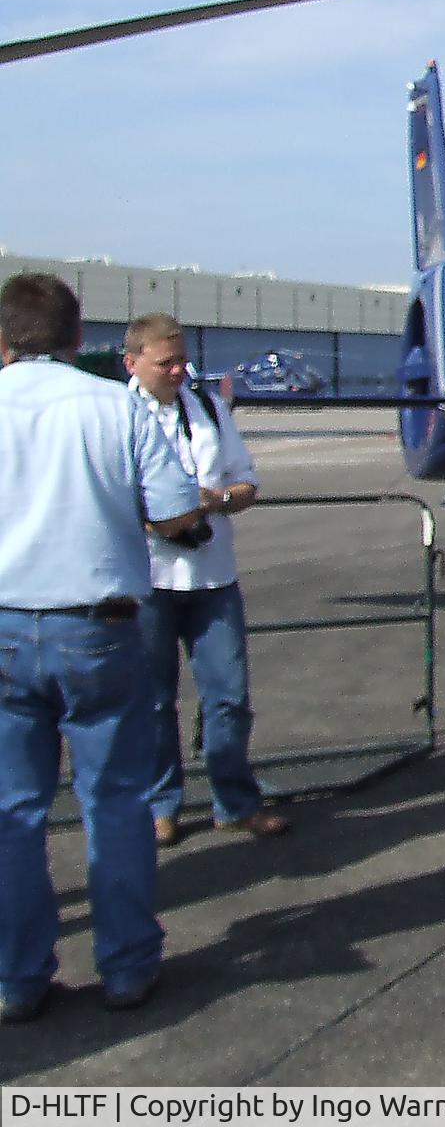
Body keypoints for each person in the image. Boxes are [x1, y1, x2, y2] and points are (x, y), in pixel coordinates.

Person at [0, 274, 200, 1022]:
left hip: (6, 623)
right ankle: (125, 967)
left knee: (13, 811)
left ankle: (18, 977)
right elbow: (177, 510)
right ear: (77, 338)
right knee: (114, 800)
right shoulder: (116, 407)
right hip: (99, 625)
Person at [123, 314, 288, 845]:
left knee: (229, 696)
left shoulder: (209, 410)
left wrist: (216, 501)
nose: (177, 370)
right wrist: (157, 518)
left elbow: (247, 482)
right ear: (133, 362)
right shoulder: (117, 415)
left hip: (212, 578)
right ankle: (160, 804)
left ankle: (234, 802)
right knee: (152, 701)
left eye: (181, 361)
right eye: (164, 362)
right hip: (147, 580)